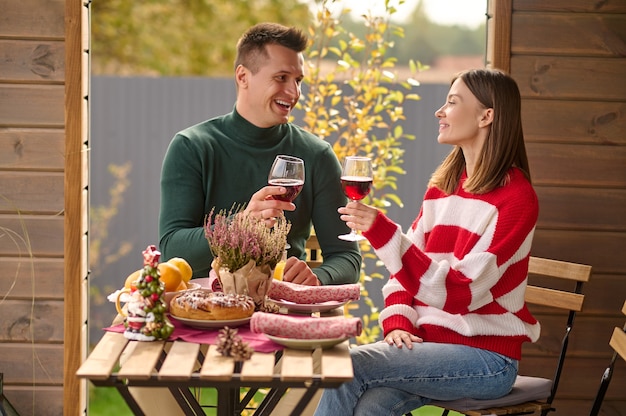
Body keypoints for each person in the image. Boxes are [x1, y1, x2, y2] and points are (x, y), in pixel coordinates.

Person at [314, 68, 540, 415]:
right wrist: (399, 321)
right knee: (371, 407)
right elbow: (405, 271)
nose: (440, 112)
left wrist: (383, 232)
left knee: (349, 364)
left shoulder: (516, 199)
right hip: (429, 348)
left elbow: (459, 293)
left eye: (452, 102)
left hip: (486, 359)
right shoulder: (443, 188)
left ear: (486, 116)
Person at [158, 22, 361, 286]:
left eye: (298, 80)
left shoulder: (317, 155)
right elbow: (172, 249)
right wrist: (239, 224)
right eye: (281, 78)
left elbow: (347, 257)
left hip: (283, 312)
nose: (294, 92)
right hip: (205, 311)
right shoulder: (191, 147)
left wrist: (316, 278)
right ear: (243, 77)